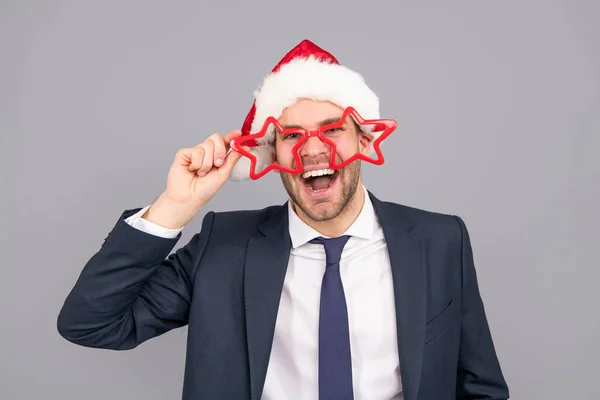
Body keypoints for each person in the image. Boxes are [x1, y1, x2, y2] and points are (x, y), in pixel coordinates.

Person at [57, 40, 509, 400]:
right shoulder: (223, 247)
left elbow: (480, 387)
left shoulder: (440, 239)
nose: (314, 150)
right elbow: (92, 324)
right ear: (272, 154)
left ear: (365, 141)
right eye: (292, 135)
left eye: (332, 129)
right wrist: (176, 206)